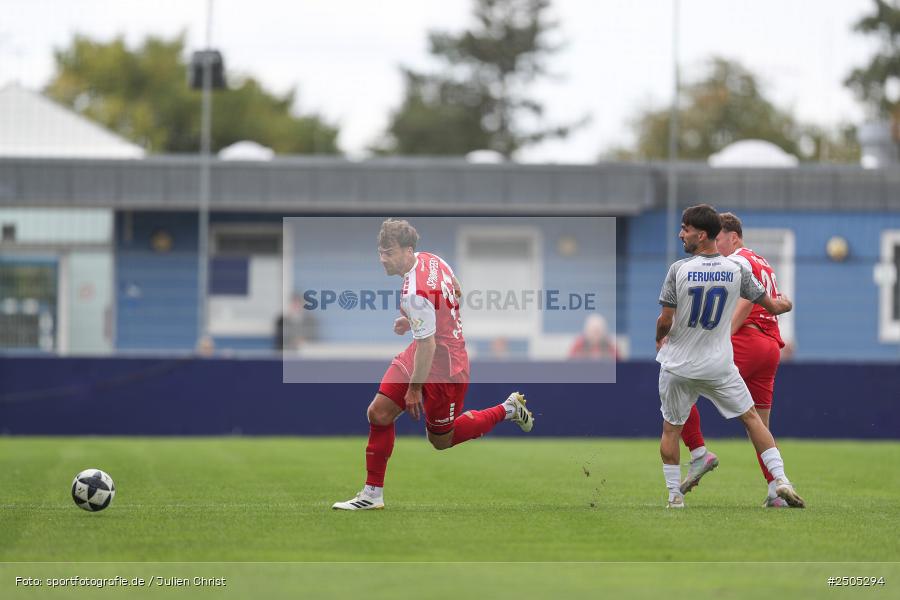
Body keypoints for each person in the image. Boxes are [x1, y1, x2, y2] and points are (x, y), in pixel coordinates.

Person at [332, 219, 534, 510]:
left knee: (440, 440)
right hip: (423, 351)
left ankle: (508, 408)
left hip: (446, 368)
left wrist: (415, 389)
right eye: (380, 251)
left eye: (388, 252)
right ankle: (372, 494)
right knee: (378, 413)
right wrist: (418, 321)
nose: (382, 259)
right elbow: (458, 293)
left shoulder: (415, 292)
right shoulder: (432, 259)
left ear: (407, 250)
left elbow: (429, 344)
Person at [655, 204, 804, 509]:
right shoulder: (739, 269)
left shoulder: (679, 269)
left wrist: (660, 338)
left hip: (681, 362)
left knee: (672, 426)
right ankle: (780, 482)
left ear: (702, 234)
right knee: (753, 420)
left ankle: (676, 494)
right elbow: (773, 306)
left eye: (685, 229)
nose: (681, 233)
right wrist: (785, 304)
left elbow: (665, 320)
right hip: (723, 363)